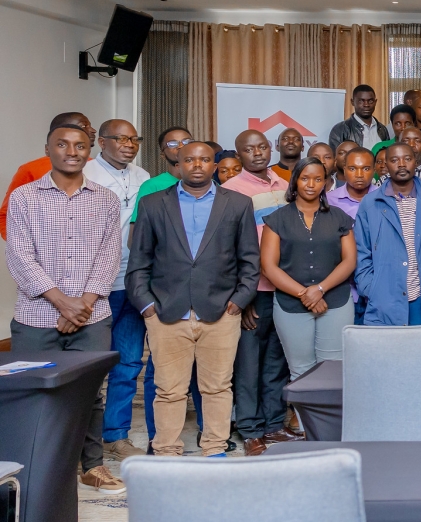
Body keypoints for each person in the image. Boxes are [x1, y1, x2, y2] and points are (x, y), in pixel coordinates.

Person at [127, 140, 258, 461]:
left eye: (204, 160)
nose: (197, 165)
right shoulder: (154, 204)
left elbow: (250, 261)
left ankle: (214, 450)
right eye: (190, 160)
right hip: (167, 314)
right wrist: (147, 307)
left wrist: (239, 302)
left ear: (215, 165)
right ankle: (166, 452)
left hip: (221, 313)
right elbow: (139, 263)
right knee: (169, 391)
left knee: (217, 388)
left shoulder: (238, 204)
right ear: (178, 164)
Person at [8, 122, 122, 489]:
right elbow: (20, 257)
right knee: (32, 392)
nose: (72, 151)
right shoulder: (24, 198)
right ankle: (33, 470)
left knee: (90, 394)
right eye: (63, 144)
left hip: (93, 316)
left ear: (90, 152)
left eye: (80, 145)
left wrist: (83, 305)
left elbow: (109, 256)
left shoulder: (104, 199)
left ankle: (93, 466)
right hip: (36, 316)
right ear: (48, 149)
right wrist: (62, 303)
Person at [220, 129, 296, 456]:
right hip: (253, 292)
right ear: (239, 156)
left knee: (276, 362)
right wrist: (243, 294)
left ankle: (274, 424)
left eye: (263, 146)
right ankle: (250, 430)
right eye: (249, 149)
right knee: (248, 365)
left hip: (285, 289)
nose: (258, 153)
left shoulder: (284, 185)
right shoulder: (229, 191)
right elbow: (226, 249)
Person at [83, 120, 153, 460]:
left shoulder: (144, 177)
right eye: (121, 138)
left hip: (134, 283)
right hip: (94, 287)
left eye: (133, 138)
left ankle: (115, 435)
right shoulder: (84, 174)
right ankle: (82, 440)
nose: (129, 144)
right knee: (90, 366)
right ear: (101, 141)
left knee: (127, 364)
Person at [261, 158, 357, 380]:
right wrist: (306, 294)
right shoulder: (277, 219)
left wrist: (320, 289)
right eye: (305, 178)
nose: (311, 184)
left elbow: (349, 261)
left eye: (317, 179)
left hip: (336, 302)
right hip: (290, 304)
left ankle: (330, 417)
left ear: (325, 182)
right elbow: (268, 266)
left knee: (332, 370)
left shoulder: (339, 217)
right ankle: (304, 416)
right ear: (295, 181)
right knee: (301, 371)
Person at [354, 143, 421, 327]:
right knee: (389, 355)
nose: (401, 164)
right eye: (394, 160)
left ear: (416, 162)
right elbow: (361, 254)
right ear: (385, 164)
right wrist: (373, 290)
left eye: (407, 159)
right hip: (384, 302)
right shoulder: (370, 204)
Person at [1, 111, 95, 239]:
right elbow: (6, 214)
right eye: (84, 126)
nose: (93, 130)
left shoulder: (96, 167)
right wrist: (20, 248)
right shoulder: (30, 169)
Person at [327, 147, 376, 324]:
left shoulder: (386, 199)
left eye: (365, 168)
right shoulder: (329, 201)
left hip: (377, 288)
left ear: (375, 169)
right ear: (344, 169)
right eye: (353, 168)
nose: (359, 174)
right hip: (341, 289)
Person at [328, 84, 390, 151]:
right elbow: (337, 158)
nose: (366, 105)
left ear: (375, 102)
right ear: (352, 102)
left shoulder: (382, 129)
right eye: (361, 101)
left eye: (370, 101)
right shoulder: (340, 129)